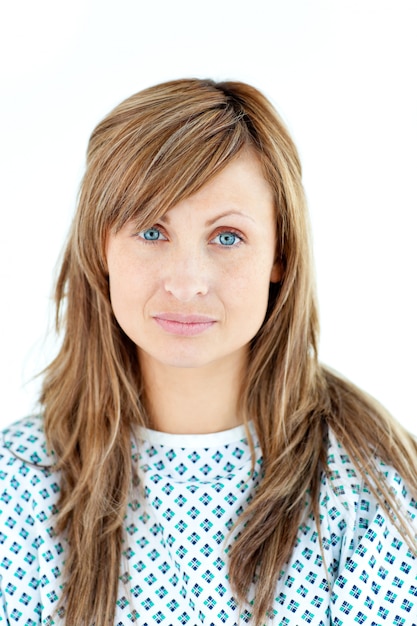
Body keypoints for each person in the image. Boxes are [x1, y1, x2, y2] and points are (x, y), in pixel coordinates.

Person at [1, 78, 416, 626]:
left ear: (280, 255)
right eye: (152, 231)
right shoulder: (18, 486)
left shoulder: (371, 488)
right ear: (101, 248)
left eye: (227, 237)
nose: (186, 281)